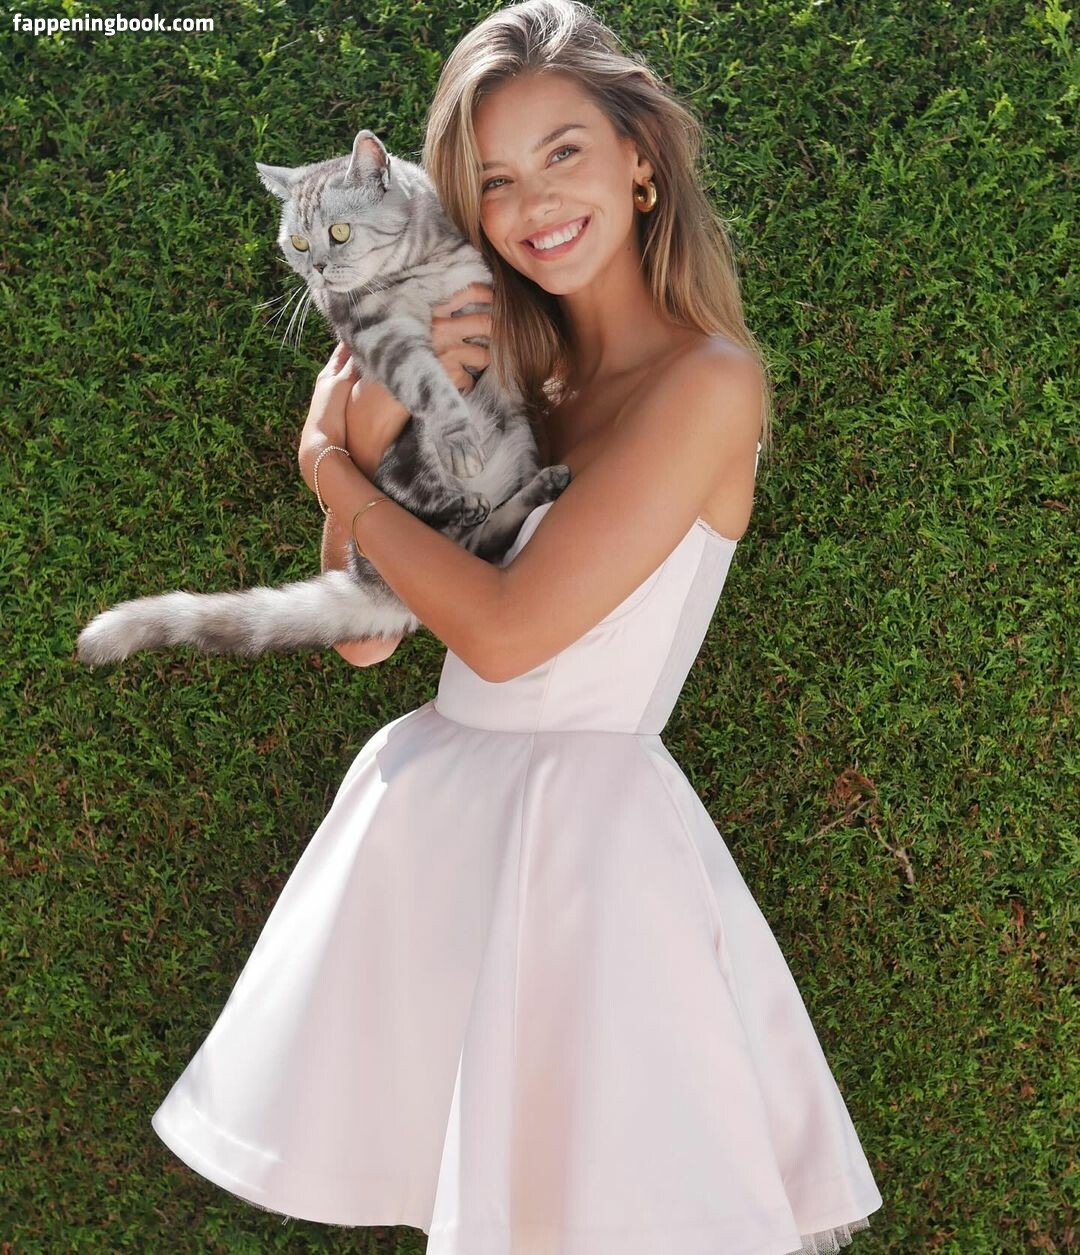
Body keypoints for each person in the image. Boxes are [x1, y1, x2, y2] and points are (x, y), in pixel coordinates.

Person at [150, 2, 885, 1251]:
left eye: (563, 152)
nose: (533, 203)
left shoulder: (709, 384)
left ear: (640, 159)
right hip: (451, 831)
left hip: (589, 862)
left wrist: (329, 464)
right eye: (494, 179)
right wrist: (370, 435)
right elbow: (368, 635)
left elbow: (504, 636)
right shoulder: (519, 381)